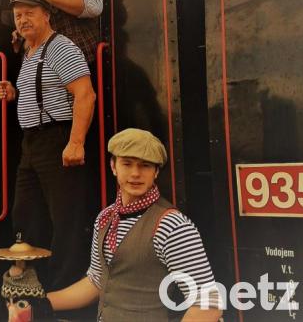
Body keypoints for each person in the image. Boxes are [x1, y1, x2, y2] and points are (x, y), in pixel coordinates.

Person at [19, 128, 222, 321]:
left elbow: (208, 304)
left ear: (156, 172)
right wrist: (40, 304)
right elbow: (97, 281)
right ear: (113, 166)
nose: (135, 173)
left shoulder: (171, 225)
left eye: (145, 165)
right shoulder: (105, 218)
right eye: (127, 163)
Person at [0, 0, 96, 292]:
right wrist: (15, 93)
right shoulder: (30, 52)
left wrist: (76, 142)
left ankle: (65, 292)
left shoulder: (60, 48)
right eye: (18, 16)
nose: (23, 19)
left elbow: (85, 94)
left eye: (29, 13)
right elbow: (44, 91)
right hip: (32, 143)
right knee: (26, 214)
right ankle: (34, 286)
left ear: (47, 15)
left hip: (57, 138)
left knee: (66, 220)